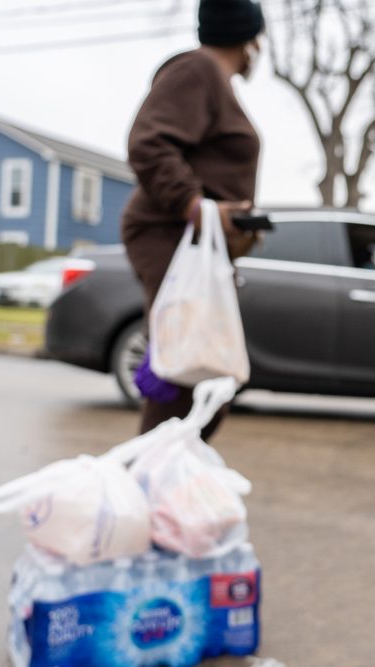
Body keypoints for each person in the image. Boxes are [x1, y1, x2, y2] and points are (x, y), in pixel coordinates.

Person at [121, 0, 265, 439]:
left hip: (195, 245)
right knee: (186, 377)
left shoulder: (212, 81)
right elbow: (147, 142)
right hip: (171, 236)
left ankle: (168, 487)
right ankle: (149, 492)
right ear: (250, 39)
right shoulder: (197, 70)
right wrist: (194, 206)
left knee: (203, 382)